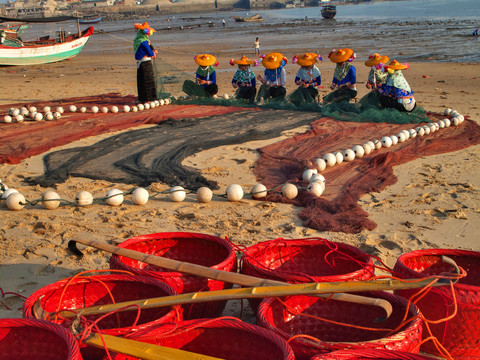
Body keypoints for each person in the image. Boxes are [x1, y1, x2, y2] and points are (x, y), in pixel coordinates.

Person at [133, 22, 158, 103]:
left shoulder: (137, 40)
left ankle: (142, 98)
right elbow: (150, 53)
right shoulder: (144, 42)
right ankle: (150, 99)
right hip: (145, 63)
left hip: (139, 63)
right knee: (148, 81)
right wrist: (154, 53)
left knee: (141, 81)